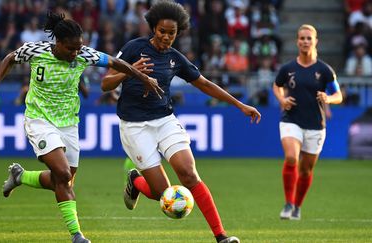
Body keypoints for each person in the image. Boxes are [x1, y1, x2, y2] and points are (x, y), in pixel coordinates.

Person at [0, 11, 163, 243]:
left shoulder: (84, 55)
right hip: (39, 120)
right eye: (70, 48)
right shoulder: (35, 51)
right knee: (63, 174)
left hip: (69, 125)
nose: (75, 53)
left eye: (79, 48)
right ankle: (77, 235)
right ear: (57, 43)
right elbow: (9, 59)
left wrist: (142, 78)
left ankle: (20, 176)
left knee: (63, 182)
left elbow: (116, 62)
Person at [101, 1, 261, 242]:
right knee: (162, 193)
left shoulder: (176, 59)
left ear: (178, 33)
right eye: (162, 31)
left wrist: (239, 104)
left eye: (171, 33)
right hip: (134, 126)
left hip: (165, 120)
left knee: (188, 174)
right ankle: (136, 181)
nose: (166, 37)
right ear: (153, 28)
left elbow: (205, 84)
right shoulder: (134, 48)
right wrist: (131, 71)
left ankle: (221, 236)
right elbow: (105, 84)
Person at [272, 24, 343, 220]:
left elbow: (338, 95)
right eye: (302, 38)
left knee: (306, 170)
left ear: (315, 41)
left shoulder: (325, 70)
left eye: (308, 38)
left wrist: (329, 99)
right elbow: (277, 86)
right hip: (291, 120)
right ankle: (287, 204)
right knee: (292, 158)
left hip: (315, 125)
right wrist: (282, 100)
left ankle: (297, 206)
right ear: (297, 41)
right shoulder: (288, 68)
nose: (305, 41)